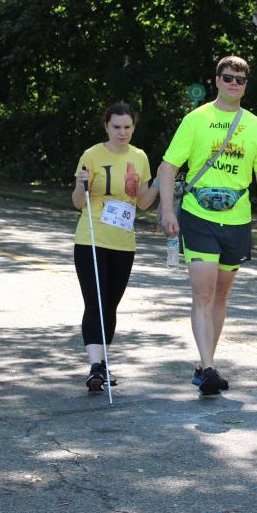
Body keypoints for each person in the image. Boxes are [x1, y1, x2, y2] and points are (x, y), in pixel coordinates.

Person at [157, 56, 257, 395]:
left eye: (240, 79)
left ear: (246, 84)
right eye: (228, 77)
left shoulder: (256, 126)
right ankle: (209, 366)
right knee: (203, 292)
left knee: (221, 295)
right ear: (216, 80)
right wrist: (168, 211)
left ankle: (204, 365)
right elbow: (168, 167)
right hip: (199, 217)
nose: (233, 84)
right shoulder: (196, 119)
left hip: (237, 221)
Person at [72, 102, 159, 392]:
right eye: (116, 127)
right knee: (95, 301)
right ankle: (95, 366)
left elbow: (143, 203)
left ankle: (103, 363)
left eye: (127, 127)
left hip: (124, 242)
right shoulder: (91, 155)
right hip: (91, 238)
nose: (122, 132)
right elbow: (77, 202)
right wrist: (81, 184)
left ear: (134, 127)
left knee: (111, 304)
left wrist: (159, 182)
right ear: (106, 127)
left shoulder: (140, 157)